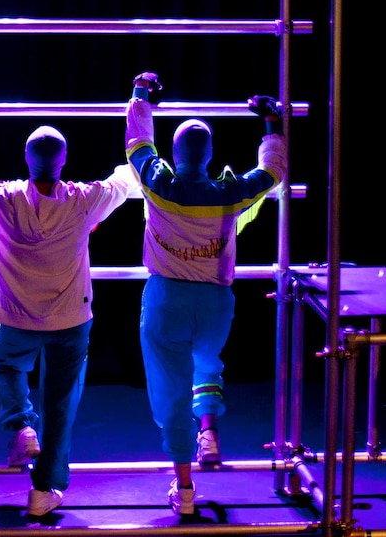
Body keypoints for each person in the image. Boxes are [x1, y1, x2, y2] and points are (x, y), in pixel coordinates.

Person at [0, 125, 138, 516]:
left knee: (5, 362)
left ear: (26, 159)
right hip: (71, 320)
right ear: (63, 162)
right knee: (61, 402)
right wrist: (129, 168)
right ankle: (45, 490)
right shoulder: (82, 199)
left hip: (17, 318)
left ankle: (21, 424)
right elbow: (121, 184)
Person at [125, 72, 287, 515]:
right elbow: (273, 171)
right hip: (215, 301)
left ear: (174, 155)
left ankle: (185, 487)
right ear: (212, 155)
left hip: (166, 300)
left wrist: (142, 97)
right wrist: (272, 123)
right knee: (207, 364)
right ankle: (209, 431)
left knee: (169, 388)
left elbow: (137, 145)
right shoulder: (228, 192)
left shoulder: (158, 183)